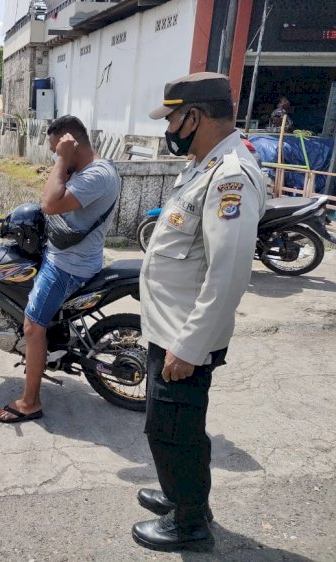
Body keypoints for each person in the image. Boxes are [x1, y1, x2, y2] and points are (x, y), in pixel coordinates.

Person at [132, 72, 266, 553]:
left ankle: (189, 521)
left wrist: (189, 346)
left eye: (172, 117)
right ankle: (182, 497)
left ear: (195, 115)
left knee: (174, 432)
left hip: (185, 337)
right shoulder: (204, 165)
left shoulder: (231, 174)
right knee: (174, 427)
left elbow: (229, 273)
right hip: (171, 328)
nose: (168, 128)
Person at [0, 115, 120, 423]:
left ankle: (30, 402)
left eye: (56, 149)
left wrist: (62, 159)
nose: (53, 156)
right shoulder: (91, 169)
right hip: (62, 254)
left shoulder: (97, 175)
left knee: (33, 325)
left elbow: (49, 202)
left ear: (71, 143)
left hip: (68, 265)